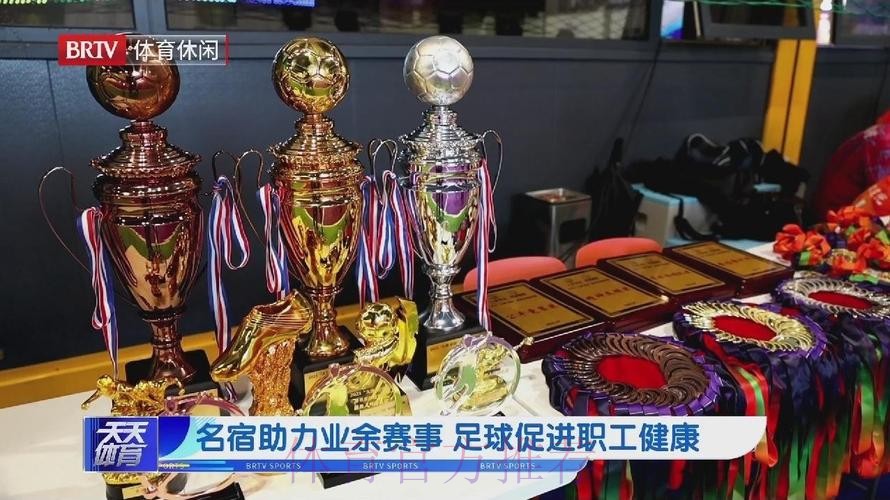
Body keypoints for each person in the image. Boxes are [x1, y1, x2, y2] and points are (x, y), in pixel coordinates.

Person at [813, 111, 890, 219]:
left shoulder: (883, 133)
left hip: (851, 215)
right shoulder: (885, 144)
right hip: (836, 220)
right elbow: (884, 202)